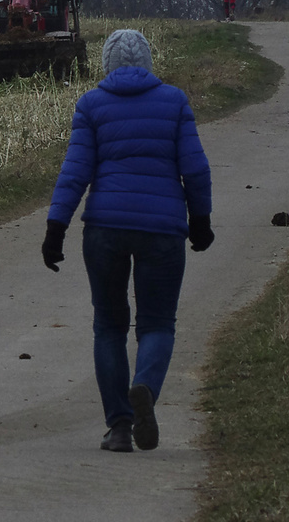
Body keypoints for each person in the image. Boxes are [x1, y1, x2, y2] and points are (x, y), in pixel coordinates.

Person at [41, 29, 215, 453]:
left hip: (105, 229)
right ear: (148, 62)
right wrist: (201, 220)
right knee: (157, 322)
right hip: (161, 230)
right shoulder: (173, 101)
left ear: (106, 64)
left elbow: (75, 171)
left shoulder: (92, 104)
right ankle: (145, 388)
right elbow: (195, 168)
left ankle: (119, 427)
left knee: (109, 325)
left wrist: (55, 228)